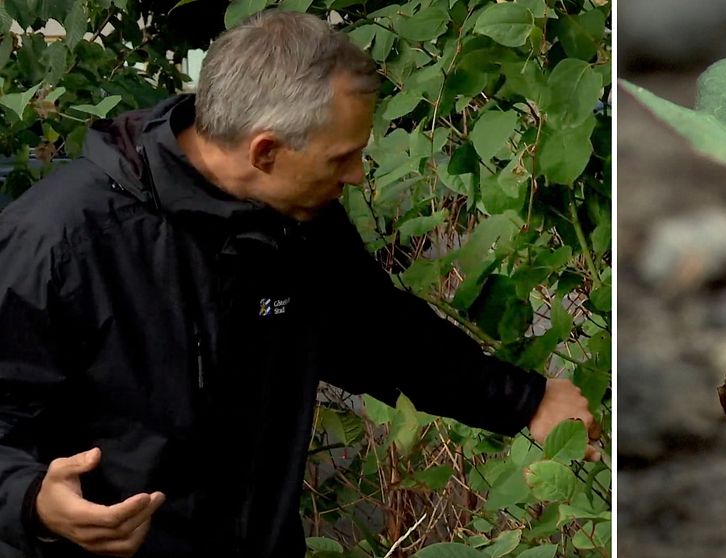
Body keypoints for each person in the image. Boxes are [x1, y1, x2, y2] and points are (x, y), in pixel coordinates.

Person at [0, 9, 599, 558]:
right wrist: (33, 502)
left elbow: (377, 333)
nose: (360, 175)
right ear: (265, 151)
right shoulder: (55, 243)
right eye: (342, 158)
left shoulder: (296, 219)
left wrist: (524, 400)